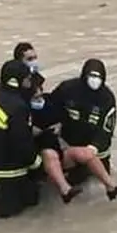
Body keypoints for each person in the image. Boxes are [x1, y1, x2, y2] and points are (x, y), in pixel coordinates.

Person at [49, 58, 117, 200]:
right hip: (70, 143)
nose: (94, 80)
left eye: (98, 77)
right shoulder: (67, 89)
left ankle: (110, 188)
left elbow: (107, 129)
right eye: (92, 76)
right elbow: (51, 107)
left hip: (96, 148)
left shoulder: (107, 98)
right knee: (75, 181)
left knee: (98, 181)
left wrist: (94, 148)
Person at [0, 60, 43, 219]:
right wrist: (38, 165)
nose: (28, 83)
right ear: (16, 81)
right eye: (26, 79)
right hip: (4, 171)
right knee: (15, 214)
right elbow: (22, 144)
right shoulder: (18, 107)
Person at [29, 73, 83, 204]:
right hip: (38, 148)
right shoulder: (23, 109)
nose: (39, 95)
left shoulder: (50, 101)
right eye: (35, 95)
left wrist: (59, 125)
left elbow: (63, 117)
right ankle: (65, 190)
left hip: (56, 143)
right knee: (50, 155)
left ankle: (111, 186)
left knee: (84, 154)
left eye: (40, 91)